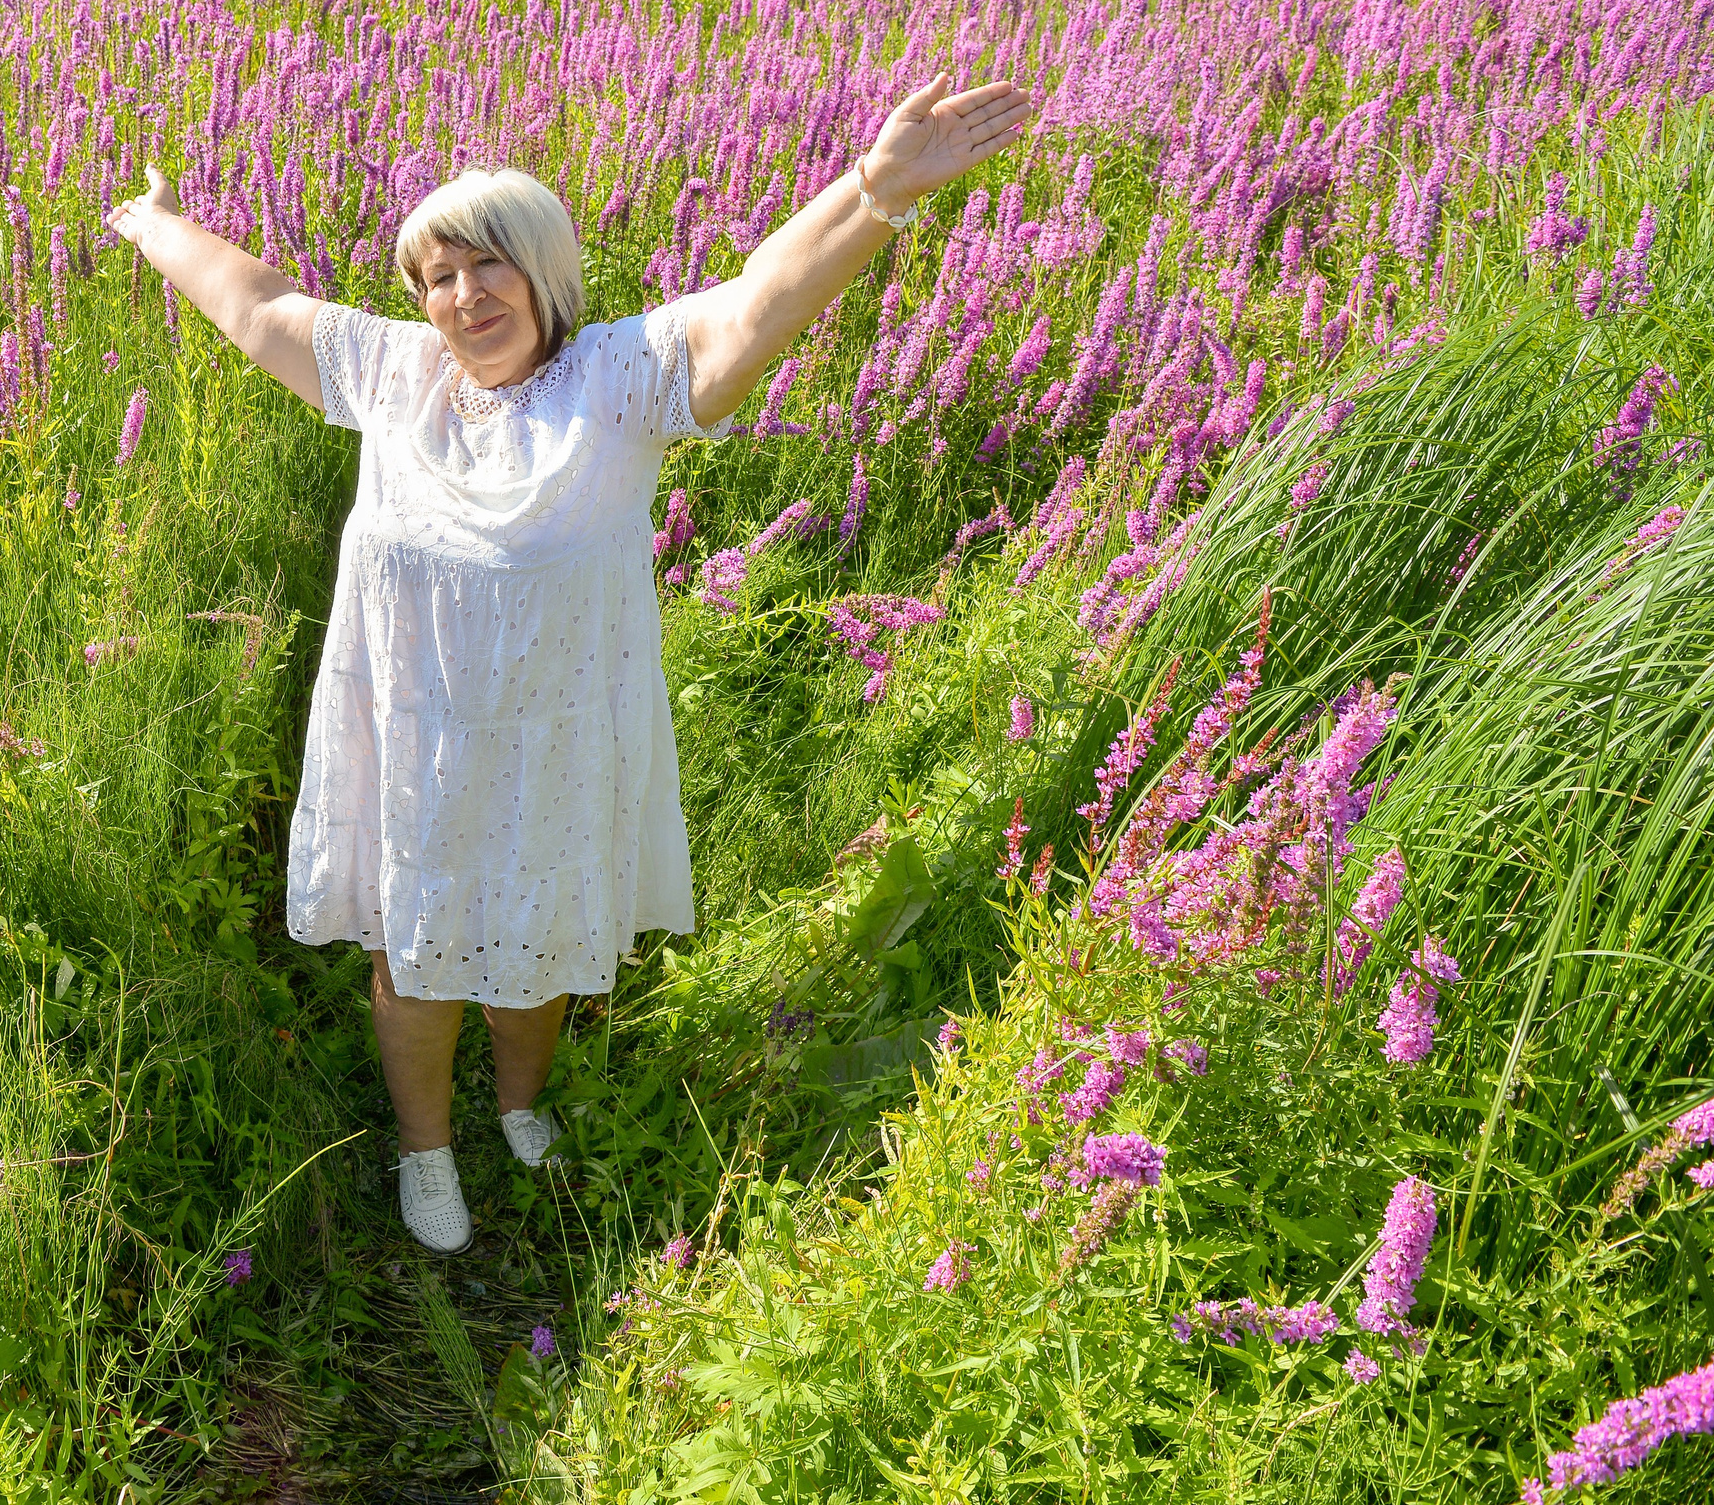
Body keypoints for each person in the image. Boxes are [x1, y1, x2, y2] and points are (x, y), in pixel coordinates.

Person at [107, 74, 1032, 1252]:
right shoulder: (391, 378)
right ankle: (427, 1147)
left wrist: (875, 192)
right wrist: (152, 224)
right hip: (415, 733)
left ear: (543, 267)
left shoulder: (618, 381)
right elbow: (256, 304)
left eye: (486, 264)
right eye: (437, 276)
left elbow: (756, 305)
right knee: (419, 954)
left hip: (556, 731)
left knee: (534, 943)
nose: (460, 295)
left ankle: (518, 1101)